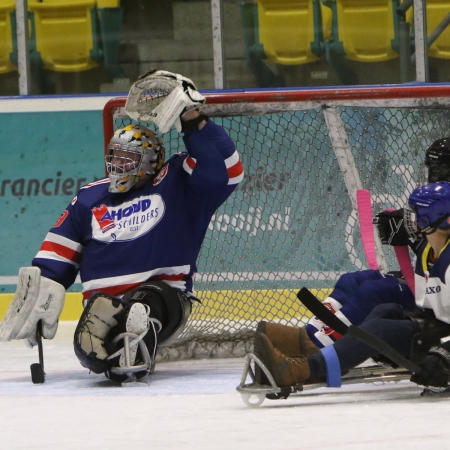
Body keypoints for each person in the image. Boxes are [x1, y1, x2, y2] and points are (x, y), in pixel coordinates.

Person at [0, 70, 244, 383]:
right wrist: (47, 281)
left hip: (163, 297)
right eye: (114, 158)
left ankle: (142, 332)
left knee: (148, 303)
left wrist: (191, 118)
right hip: (101, 306)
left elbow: (226, 170)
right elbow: (59, 251)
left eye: (128, 159)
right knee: (92, 353)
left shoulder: (176, 180)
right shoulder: (90, 197)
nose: (118, 167)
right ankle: (123, 352)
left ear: (151, 161)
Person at [255, 181, 450, 391]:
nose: (409, 222)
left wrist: (445, 353)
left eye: (414, 216)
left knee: (378, 329)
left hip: (442, 340)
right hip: (436, 328)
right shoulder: (429, 252)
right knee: (382, 312)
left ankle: (304, 368)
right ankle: (318, 350)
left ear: (431, 219)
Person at [305, 138, 450, 348]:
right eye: (432, 169)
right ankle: (306, 336)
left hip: (439, 299)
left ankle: (315, 348)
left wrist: (410, 236)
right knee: (351, 281)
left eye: (442, 169)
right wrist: (406, 231)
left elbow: (442, 259)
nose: (434, 176)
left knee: (374, 291)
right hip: (427, 284)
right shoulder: (438, 199)